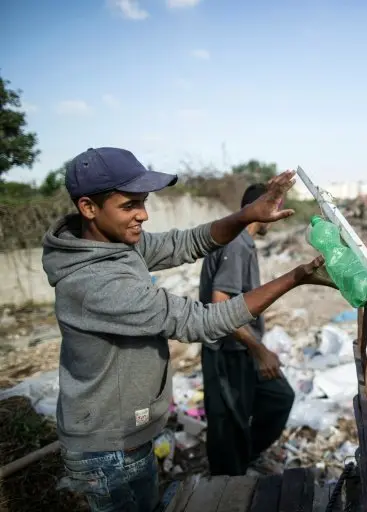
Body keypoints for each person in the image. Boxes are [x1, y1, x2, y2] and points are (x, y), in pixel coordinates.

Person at [41, 147, 324, 512]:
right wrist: (298, 276)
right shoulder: (96, 281)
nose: (143, 214)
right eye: (130, 205)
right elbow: (202, 321)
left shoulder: (112, 245)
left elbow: (185, 243)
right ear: (88, 208)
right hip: (110, 448)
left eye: (143, 202)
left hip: (128, 436)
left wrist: (246, 215)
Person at [198, 183, 295, 477]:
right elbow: (220, 306)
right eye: (276, 207)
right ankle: (226, 488)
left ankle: (245, 458)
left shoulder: (244, 243)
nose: (279, 215)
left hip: (243, 348)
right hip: (227, 352)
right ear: (261, 207)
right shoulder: (236, 244)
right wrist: (260, 350)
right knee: (227, 423)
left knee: (279, 397)